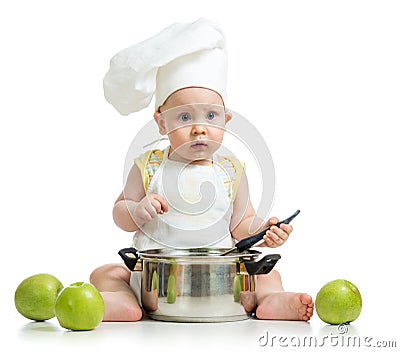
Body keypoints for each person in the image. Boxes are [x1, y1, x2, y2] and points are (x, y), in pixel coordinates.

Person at [90, 18, 314, 322]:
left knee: (267, 275)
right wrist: (137, 210)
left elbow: (241, 224)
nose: (199, 129)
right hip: (155, 280)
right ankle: (122, 302)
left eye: (210, 115)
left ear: (226, 120)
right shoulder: (149, 166)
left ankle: (272, 300)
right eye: (183, 117)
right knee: (107, 273)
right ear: (161, 122)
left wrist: (263, 231)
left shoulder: (231, 170)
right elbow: (119, 212)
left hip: (222, 278)